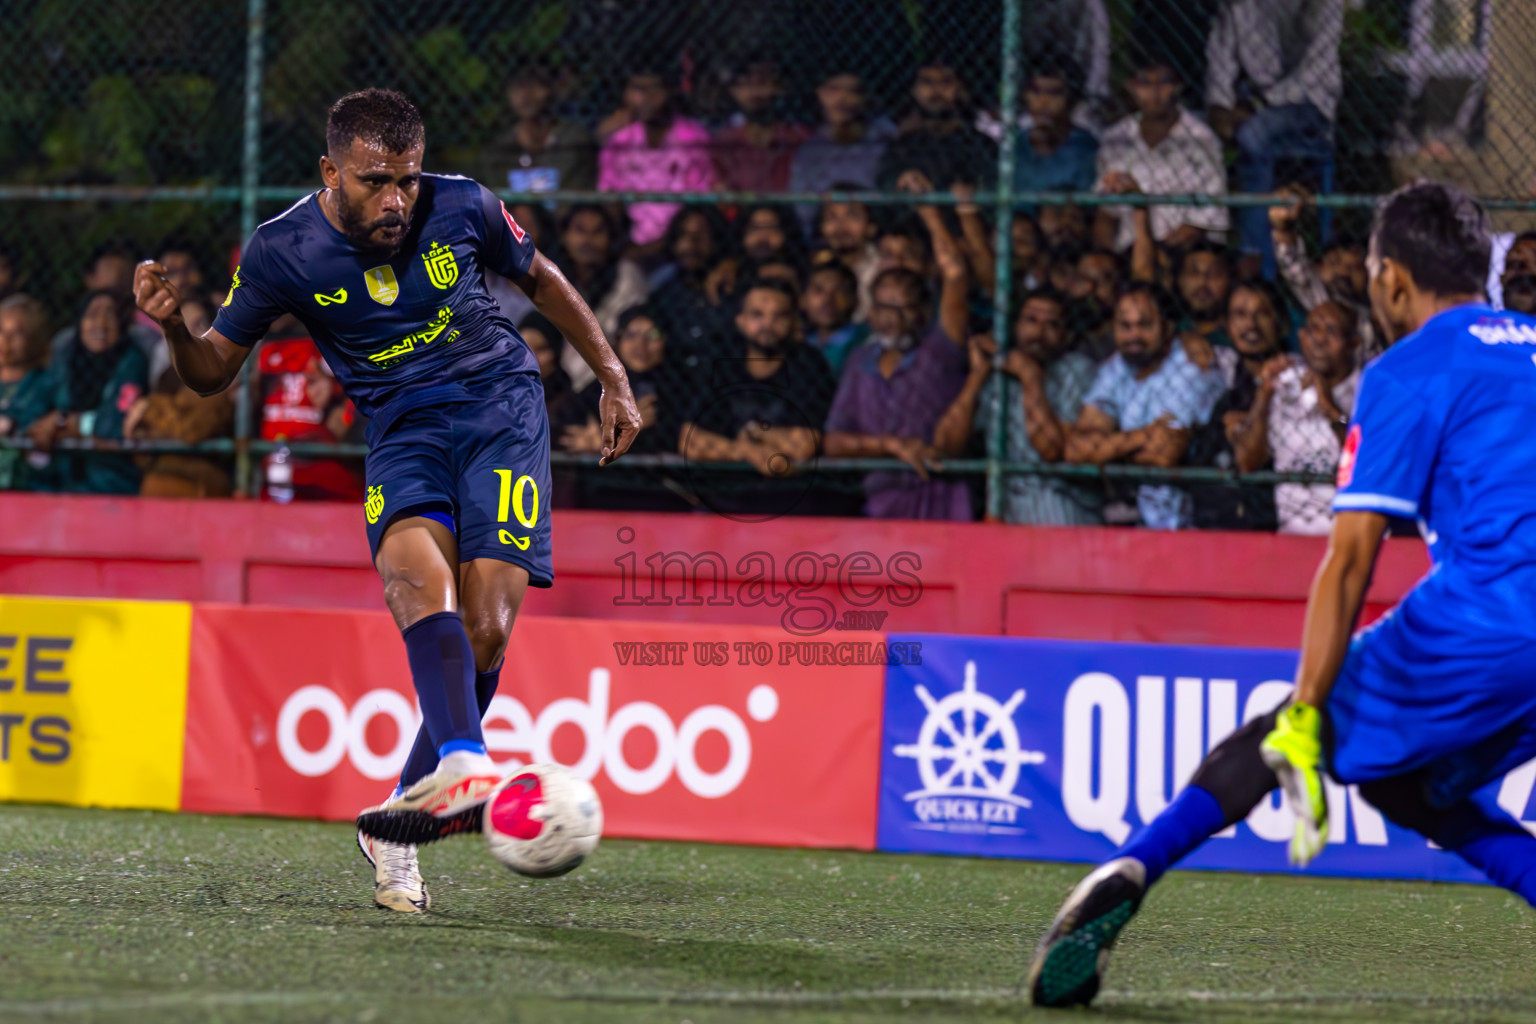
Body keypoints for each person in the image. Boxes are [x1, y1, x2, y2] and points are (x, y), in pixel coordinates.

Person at [131, 89, 640, 914]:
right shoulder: (282, 249)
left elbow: (540, 279)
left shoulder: (466, 204)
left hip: (500, 410)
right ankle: (464, 763)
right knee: (414, 584)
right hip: (401, 430)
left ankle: (396, 826)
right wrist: (175, 330)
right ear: (331, 172)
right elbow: (214, 371)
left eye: (406, 178)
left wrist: (613, 377)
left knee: (486, 631)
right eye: (375, 182)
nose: (397, 199)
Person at [1030, 182, 1536, 1008]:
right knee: (1405, 780)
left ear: (1394, 282)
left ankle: (1132, 867)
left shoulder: (1408, 369)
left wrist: (1307, 704)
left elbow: (1348, 562)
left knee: (1285, 731)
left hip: (1490, 619)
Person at [1063, 282, 1226, 529]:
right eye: (1125, 326)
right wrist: (1144, 436)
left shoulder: (1192, 365)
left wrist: (1108, 452)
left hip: (1195, 523)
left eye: (1145, 325)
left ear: (1168, 327)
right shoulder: (1116, 366)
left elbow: (1165, 454)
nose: (1134, 336)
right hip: (1138, 521)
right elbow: (1076, 450)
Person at [934, 288, 1102, 525]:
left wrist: (1030, 377)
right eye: (1030, 320)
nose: (1039, 333)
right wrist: (977, 376)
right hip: (1010, 516)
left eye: (1052, 324)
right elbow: (946, 447)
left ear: (1065, 335)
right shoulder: (998, 377)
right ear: (1015, 327)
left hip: (1065, 514)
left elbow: (1051, 451)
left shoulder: (1076, 370)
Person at [677, 278, 838, 518]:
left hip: (791, 499)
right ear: (741, 321)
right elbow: (690, 443)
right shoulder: (722, 364)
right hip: (723, 497)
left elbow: (804, 446)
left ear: (793, 322)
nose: (768, 325)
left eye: (779, 316)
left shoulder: (808, 364)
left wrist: (752, 432)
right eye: (757, 315)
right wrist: (748, 452)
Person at [1206, 0, 1344, 278]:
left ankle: (1254, 253)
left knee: (1253, 135)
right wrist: (1219, 107)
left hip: (1310, 103)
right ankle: (1212, 247)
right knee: (1202, 131)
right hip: (1253, 102)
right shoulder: (1239, 6)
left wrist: (1257, 106)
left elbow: (1313, 72)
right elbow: (1221, 56)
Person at [822, 267, 971, 519]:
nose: (892, 318)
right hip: (880, 501)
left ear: (924, 313)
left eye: (904, 308)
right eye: (883, 308)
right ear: (870, 312)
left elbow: (956, 274)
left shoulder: (938, 354)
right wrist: (891, 446)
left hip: (940, 499)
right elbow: (833, 441)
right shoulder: (860, 361)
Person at [1228, 299, 1359, 535]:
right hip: (1291, 534)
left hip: (1348, 537)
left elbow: (1364, 461)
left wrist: (1332, 412)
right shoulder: (1286, 385)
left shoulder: (1368, 388)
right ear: (1301, 337)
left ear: (1353, 344)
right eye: (1312, 330)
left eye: (1331, 331)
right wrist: (1264, 394)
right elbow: (1247, 461)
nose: (1319, 339)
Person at [559, 304, 693, 511]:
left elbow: (678, 440)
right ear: (618, 342)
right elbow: (569, 434)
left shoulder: (679, 389)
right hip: (605, 493)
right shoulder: (600, 388)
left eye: (653, 335)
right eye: (631, 335)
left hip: (665, 497)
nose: (641, 344)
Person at [1095, 51, 1228, 254]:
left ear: (1178, 85)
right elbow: (1106, 215)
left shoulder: (1202, 140)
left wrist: (1156, 257)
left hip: (1183, 253)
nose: (1154, 92)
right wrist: (1107, 257)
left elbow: (1200, 225)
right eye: (1145, 82)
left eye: (1164, 82)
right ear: (1131, 85)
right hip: (1129, 253)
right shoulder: (1115, 138)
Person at [1186, 279, 1292, 531]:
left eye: (1262, 313)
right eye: (1241, 315)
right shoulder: (1219, 369)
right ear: (1227, 324)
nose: (1251, 325)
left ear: (1281, 323)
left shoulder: (1296, 377)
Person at [28, 291, 149, 495]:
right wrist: (37, 425)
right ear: (80, 322)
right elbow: (34, 410)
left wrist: (72, 423)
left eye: (110, 315)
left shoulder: (132, 361)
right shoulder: (65, 358)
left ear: (122, 323)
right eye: (92, 315)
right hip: (57, 479)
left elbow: (117, 423)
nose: (100, 324)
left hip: (111, 481)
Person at [597, 65, 719, 257]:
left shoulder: (693, 137)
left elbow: (698, 204)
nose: (647, 98)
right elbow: (610, 198)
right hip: (631, 243)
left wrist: (658, 246)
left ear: (671, 91)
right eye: (638, 89)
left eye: (655, 89)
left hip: (682, 245)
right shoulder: (620, 141)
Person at [1271, 186, 1377, 358]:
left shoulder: (1372, 320)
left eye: (1355, 268)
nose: (1343, 272)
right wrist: (1283, 226)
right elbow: (1291, 261)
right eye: (1335, 262)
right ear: (1318, 267)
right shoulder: (1318, 297)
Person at [551, 203, 648, 390]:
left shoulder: (626, 276)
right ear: (564, 237)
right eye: (580, 230)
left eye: (598, 232)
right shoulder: (551, 276)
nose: (588, 240)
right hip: (557, 386)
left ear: (610, 239)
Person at [787, 71, 895, 226]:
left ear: (863, 98)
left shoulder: (881, 140)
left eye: (853, 91)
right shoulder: (808, 149)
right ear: (820, 93)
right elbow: (802, 205)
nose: (843, 98)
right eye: (834, 89)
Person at [477, 63, 595, 195]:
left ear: (551, 90)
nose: (526, 95)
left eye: (535, 85)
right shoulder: (500, 149)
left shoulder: (574, 138)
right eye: (518, 87)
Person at [876, 63, 997, 191]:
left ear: (961, 89)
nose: (937, 88)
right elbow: (885, 179)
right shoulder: (902, 143)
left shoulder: (979, 143)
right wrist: (903, 178)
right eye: (926, 82)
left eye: (946, 81)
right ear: (914, 90)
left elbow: (993, 181)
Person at [710, 57, 810, 193]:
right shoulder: (725, 141)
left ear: (778, 87)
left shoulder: (799, 137)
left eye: (761, 83)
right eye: (744, 84)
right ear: (733, 92)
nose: (753, 93)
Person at [1012, 57, 1099, 201]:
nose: (1043, 102)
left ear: (1071, 98)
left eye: (1054, 93)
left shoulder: (1085, 148)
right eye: (1036, 91)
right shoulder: (1016, 146)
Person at [0, 294, 53, 491]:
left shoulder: (47, 384)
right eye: (1, 331)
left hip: (30, 486)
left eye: (17, 333)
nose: (5, 341)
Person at [816, 190, 881, 319]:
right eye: (832, 217)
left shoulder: (883, 266)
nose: (841, 226)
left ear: (871, 227)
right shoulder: (816, 266)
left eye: (852, 216)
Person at [800, 260, 867, 377]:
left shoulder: (867, 341)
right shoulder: (801, 344)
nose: (828, 300)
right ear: (803, 300)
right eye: (818, 290)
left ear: (855, 300)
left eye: (839, 291)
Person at [1175, 240, 1234, 348]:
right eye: (1193, 272)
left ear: (1229, 281)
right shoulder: (1168, 331)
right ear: (1179, 280)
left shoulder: (1239, 335)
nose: (1202, 281)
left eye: (1214, 273)